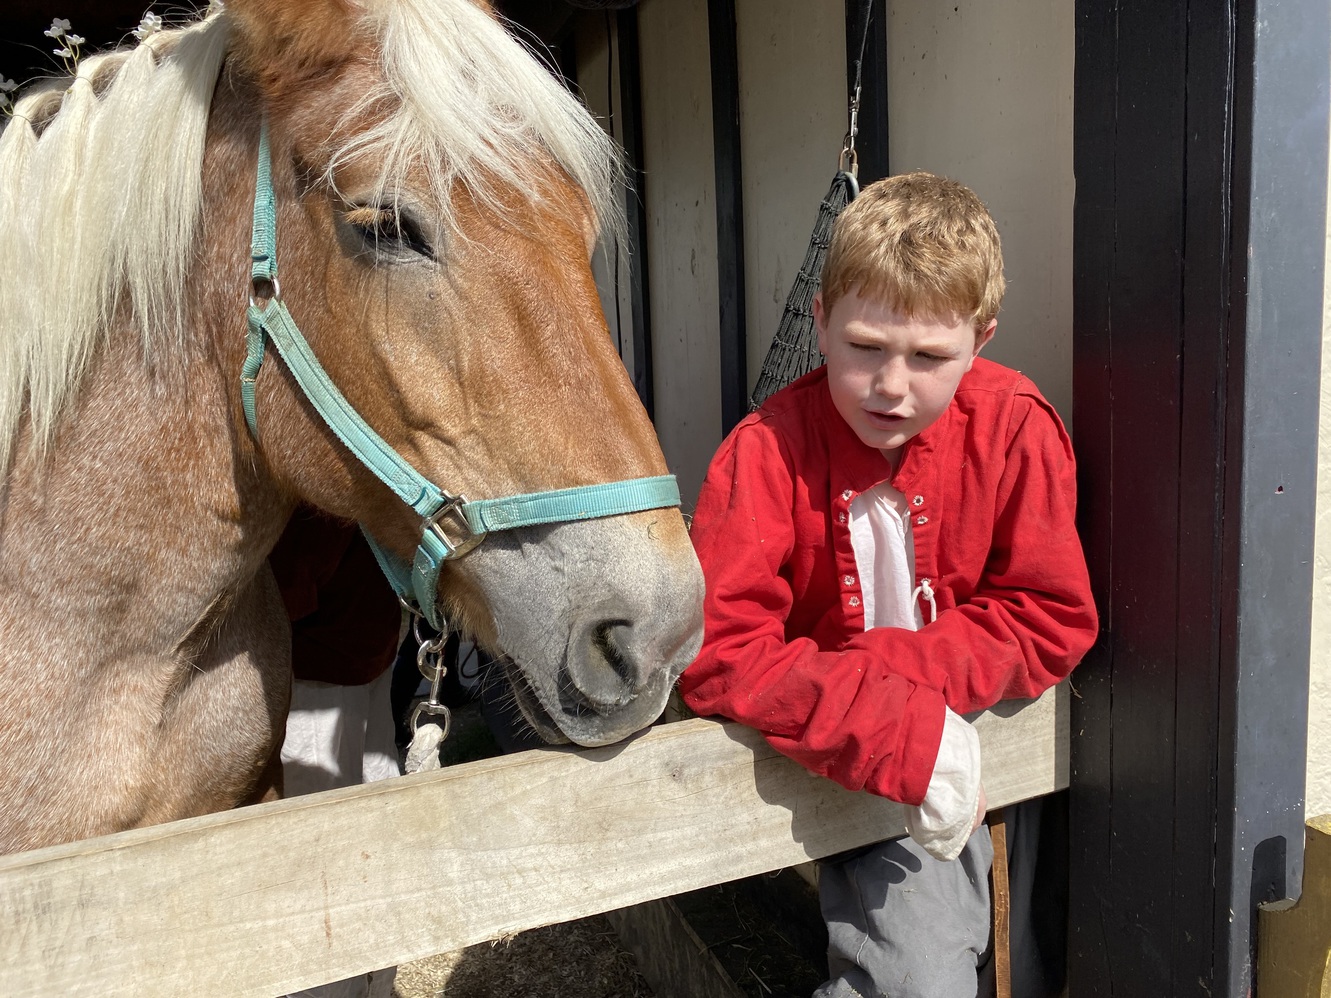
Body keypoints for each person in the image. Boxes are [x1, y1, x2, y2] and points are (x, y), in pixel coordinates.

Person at [679, 171, 1097, 998]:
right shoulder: (760, 454)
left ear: (980, 339)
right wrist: (890, 726)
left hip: (986, 740)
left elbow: (1048, 614)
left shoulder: (1016, 426)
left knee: (1029, 959)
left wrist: (892, 680)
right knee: (913, 976)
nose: (891, 385)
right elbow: (716, 650)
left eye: (930, 357)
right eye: (865, 346)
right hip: (853, 759)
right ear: (821, 321)